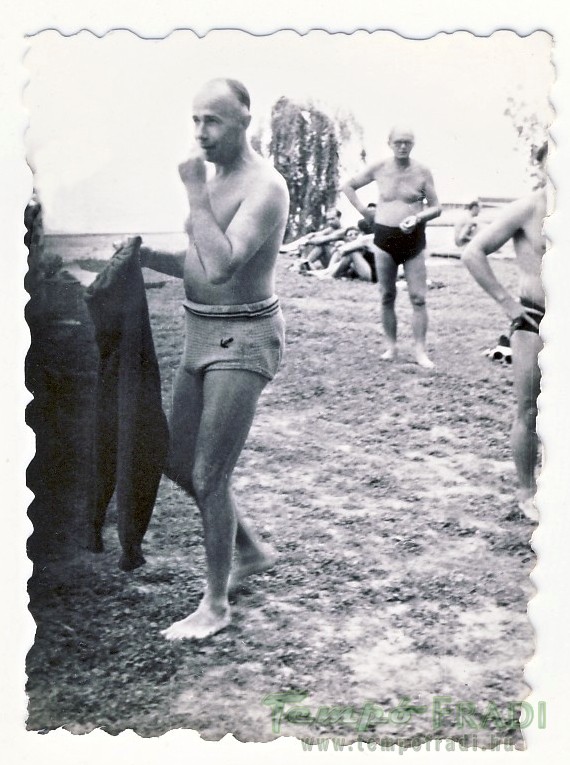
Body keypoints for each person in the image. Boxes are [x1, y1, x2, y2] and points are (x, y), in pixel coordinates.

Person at [138, 78, 289, 639]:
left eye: (214, 120)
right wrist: (145, 255)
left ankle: (216, 605)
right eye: (195, 119)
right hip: (201, 332)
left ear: (244, 119)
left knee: (209, 473)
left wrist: (194, 193)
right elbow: (200, 259)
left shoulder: (265, 186)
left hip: (244, 336)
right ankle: (250, 551)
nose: (201, 132)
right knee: (178, 460)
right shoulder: (218, 179)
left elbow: (224, 265)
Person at [462, 142, 548, 521]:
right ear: (540, 165)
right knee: (530, 409)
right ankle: (527, 491)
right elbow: (473, 252)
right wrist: (507, 304)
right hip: (534, 321)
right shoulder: (528, 208)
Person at [342, 127, 441, 368]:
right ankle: (391, 347)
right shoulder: (379, 167)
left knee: (418, 298)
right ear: (389, 143)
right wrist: (364, 212)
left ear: (413, 143)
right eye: (398, 142)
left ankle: (420, 351)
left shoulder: (422, 171)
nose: (402, 146)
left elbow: (436, 207)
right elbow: (348, 186)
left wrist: (418, 217)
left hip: (413, 239)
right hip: (384, 238)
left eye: (407, 142)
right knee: (387, 295)